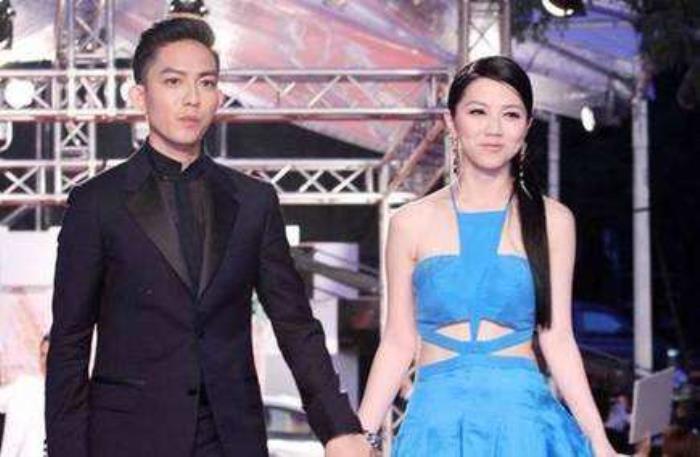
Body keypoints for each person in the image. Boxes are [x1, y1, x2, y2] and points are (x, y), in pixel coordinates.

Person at [45, 17, 370, 457]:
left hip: (231, 438)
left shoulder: (253, 202)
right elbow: (69, 343)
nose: (192, 98)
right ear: (140, 95)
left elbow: (295, 324)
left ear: (218, 95)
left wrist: (339, 428)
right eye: (173, 82)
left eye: (206, 82)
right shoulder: (97, 203)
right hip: (127, 440)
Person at [357, 56, 618, 456]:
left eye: (510, 115)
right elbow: (397, 341)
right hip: (435, 427)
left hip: (523, 426)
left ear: (526, 127)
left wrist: (600, 443)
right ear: (451, 121)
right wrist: (360, 437)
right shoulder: (410, 222)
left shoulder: (553, 220)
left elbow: (558, 339)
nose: (494, 129)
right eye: (478, 112)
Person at [0, 335, 49, 457]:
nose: (45, 361)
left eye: (50, 355)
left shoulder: (72, 397)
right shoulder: (25, 386)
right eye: (42, 355)